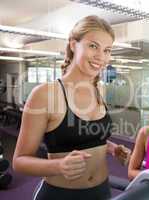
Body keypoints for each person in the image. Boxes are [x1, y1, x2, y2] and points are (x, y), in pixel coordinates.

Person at [13, 15, 130, 200]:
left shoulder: (99, 90)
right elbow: (19, 162)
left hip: (101, 191)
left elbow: (83, 136)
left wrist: (112, 148)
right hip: (60, 195)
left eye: (107, 50)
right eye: (93, 46)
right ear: (74, 45)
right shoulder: (45, 94)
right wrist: (58, 166)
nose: (101, 56)